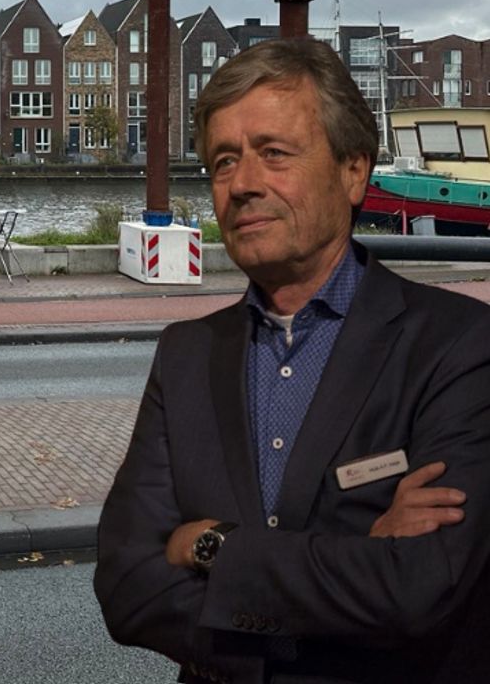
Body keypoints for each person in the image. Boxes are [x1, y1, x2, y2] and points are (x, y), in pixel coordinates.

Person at [94, 38, 490, 683]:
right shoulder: (186, 355)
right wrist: (353, 569)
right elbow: (128, 588)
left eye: (274, 154)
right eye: (224, 161)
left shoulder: (460, 345)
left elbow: (420, 587)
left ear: (354, 170)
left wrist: (208, 545)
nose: (244, 184)